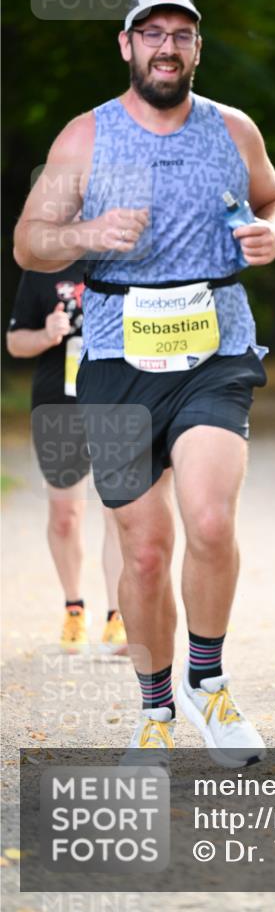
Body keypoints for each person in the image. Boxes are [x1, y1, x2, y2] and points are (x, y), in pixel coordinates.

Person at [13, 0, 275, 761]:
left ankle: (208, 683)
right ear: (126, 46)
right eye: (152, 34)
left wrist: (273, 233)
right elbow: (29, 244)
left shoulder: (232, 129)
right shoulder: (86, 138)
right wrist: (88, 230)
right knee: (141, 550)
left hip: (214, 344)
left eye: (181, 35)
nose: (166, 47)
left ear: (197, 48)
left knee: (208, 519)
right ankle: (157, 706)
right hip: (113, 352)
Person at [6, 262, 126, 654]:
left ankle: (119, 616)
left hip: (117, 398)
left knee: (120, 513)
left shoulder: (121, 257)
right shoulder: (43, 265)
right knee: (65, 516)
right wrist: (45, 334)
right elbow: (14, 341)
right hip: (59, 404)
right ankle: (74, 607)